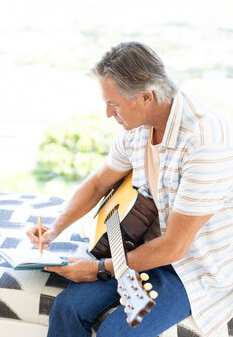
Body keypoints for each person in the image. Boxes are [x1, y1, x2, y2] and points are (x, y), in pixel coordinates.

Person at [27, 42, 233, 337]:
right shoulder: (137, 128)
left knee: (117, 333)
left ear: (146, 97)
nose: (108, 114)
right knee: (66, 307)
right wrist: (54, 228)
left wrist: (98, 268)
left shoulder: (205, 140)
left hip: (190, 267)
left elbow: (175, 246)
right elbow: (98, 183)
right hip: (138, 251)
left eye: (114, 104)